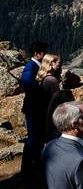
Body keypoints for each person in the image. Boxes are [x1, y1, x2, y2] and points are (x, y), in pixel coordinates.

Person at [19, 41, 48, 180]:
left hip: (37, 107)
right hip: (33, 107)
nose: (46, 55)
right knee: (33, 137)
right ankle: (27, 167)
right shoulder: (30, 68)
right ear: (37, 54)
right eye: (44, 52)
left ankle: (35, 163)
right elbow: (26, 81)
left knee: (38, 136)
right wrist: (40, 89)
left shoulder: (35, 66)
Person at [37, 53, 64, 141]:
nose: (61, 66)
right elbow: (57, 100)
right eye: (59, 63)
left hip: (44, 113)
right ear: (52, 63)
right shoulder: (52, 81)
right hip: (52, 115)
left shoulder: (44, 77)